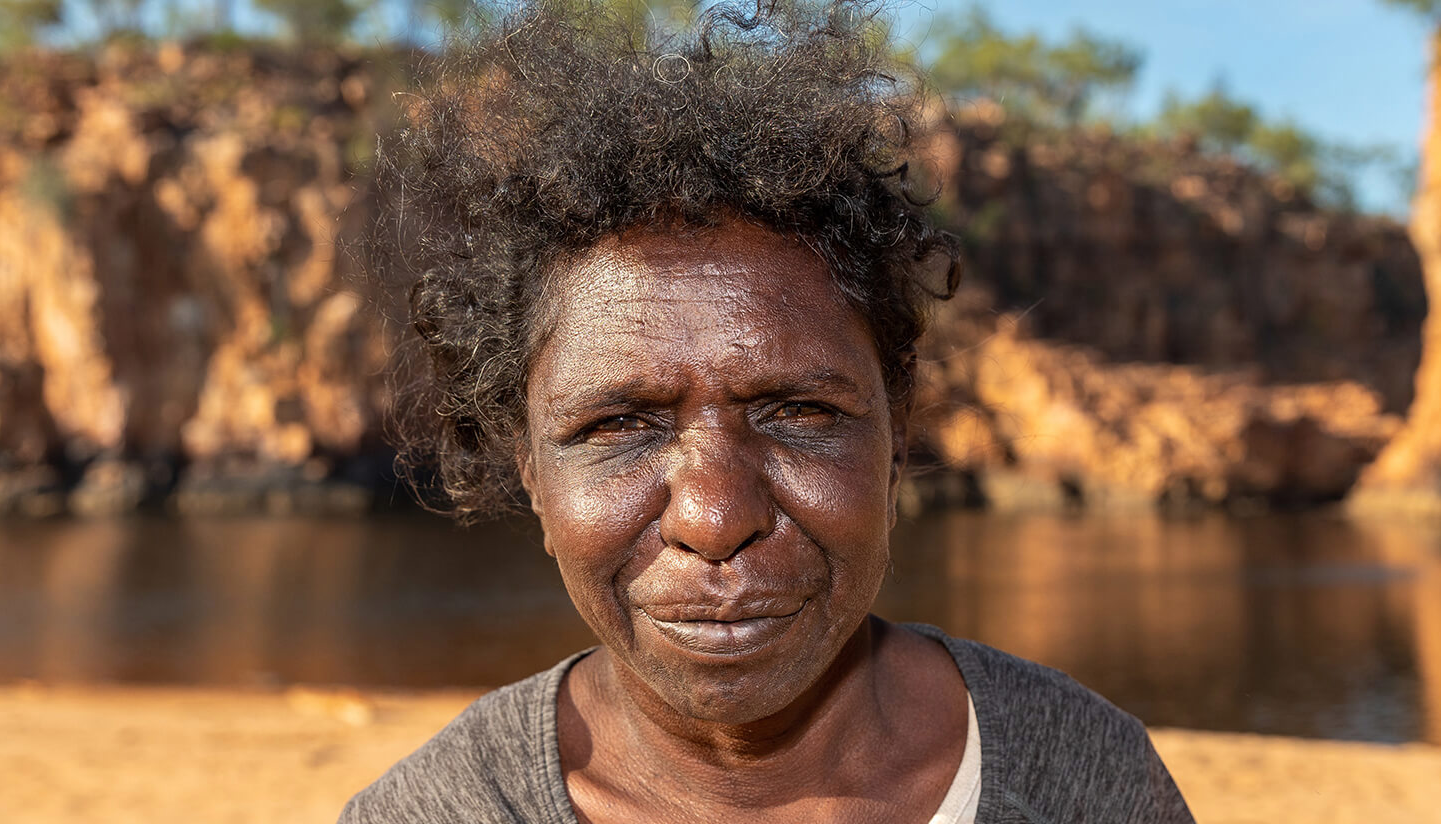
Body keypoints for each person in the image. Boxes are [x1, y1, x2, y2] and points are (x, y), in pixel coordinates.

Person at [344, 1, 1194, 821]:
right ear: (529, 467)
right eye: (617, 426)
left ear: (896, 434)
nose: (715, 518)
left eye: (798, 412)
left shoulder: (1090, 782)